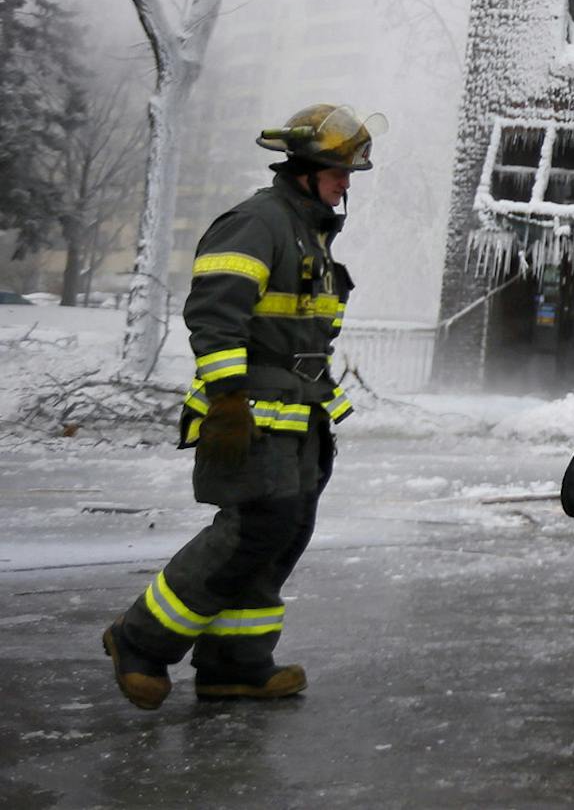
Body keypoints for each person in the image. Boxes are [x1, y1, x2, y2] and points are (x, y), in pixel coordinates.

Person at [102, 104, 376, 709]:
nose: (346, 182)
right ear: (304, 168)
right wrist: (227, 398)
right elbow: (214, 312)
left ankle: (236, 664)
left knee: (284, 533)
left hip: (298, 412)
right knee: (253, 529)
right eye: (339, 170)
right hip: (251, 412)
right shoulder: (257, 223)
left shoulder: (307, 231)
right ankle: (139, 641)